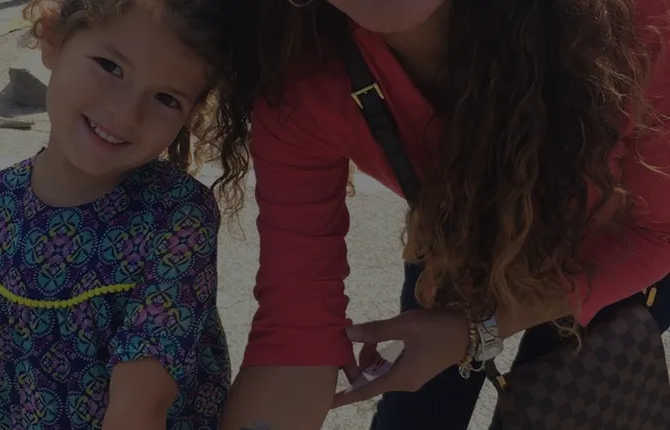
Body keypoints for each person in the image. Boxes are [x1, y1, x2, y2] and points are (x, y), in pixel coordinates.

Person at [210, 0, 670, 429]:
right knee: (415, 414)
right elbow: (295, 342)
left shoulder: (634, 19)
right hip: (463, 242)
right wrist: (465, 329)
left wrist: (479, 329)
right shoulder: (304, 86)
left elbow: (659, 233)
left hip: (620, 255)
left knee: (567, 399)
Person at [0, 0, 249, 428]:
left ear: (190, 116)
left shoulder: (177, 218)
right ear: (52, 38)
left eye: (166, 98)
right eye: (111, 67)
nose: (125, 113)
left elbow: (140, 405)